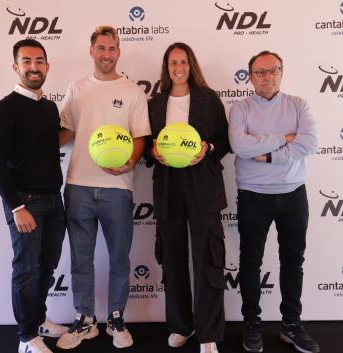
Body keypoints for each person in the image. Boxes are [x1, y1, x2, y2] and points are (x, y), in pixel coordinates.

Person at [55, 25, 150, 350]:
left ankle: (116, 318)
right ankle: (85, 320)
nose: (107, 54)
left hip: (117, 188)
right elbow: (65, 131)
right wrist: (34, 146)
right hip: (78, 186)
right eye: (101, 48)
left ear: (118, 52)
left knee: (119, 258)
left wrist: (130, 162)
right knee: (81, 259)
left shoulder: (133, 91)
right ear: (91, 51)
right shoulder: (77, 88)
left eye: (112, 48)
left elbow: (140, 136)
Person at [228, 50, 320, 353]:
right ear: (250, 76)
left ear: (281, 72)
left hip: (294, 193)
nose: (267, 76)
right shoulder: (240, 109)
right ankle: (251, 323)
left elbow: (309, 143)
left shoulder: (298, 104)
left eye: (273, 70)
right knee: (250, 262)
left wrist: (267, 154)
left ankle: (291, 325)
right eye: (260, 72)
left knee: (293, 261)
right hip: (253, 194)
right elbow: (240, 146)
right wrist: (286, 138)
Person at [144, 42, 230, 353]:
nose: (178, 67)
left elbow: (225, 140)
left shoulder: (208, 99)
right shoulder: (155, 103)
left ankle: (208, 333)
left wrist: (207, 148)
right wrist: (153, 152)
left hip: (204, 187)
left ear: (191, 64)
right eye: (172, 63)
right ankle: (181, 325)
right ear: (166, 68)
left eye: (183, 61)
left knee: (207, 258)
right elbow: (147, 147)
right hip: (168, 188)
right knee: (173, 258)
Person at [0, 39, 68, 353]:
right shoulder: (4, 109)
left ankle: (38, 320)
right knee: (25, 270)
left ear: (47, 66)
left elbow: (49, 145)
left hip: (53, 201)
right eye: (27, 61)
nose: (34, 67)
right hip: (26, 203)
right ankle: (26, 337)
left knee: (46, 267)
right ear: (16, 67)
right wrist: (17, 206)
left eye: (39, 61)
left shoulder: (48, 107)